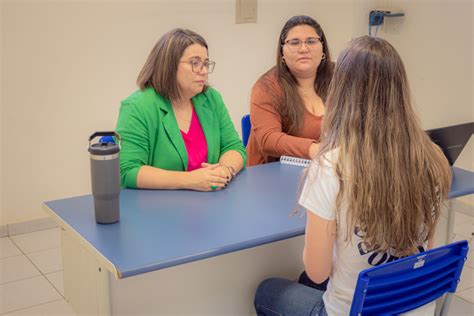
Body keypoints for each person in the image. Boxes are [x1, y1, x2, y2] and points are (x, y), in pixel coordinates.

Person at [254, 36, 451, 315]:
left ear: (340, 91)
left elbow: (318, 272)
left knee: (268, 291)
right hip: (414, 308)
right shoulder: (432, 158)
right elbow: (424, 250)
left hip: (352, 311)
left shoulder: (330, 167)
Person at [116, 28, 246, 191]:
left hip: (211, 203)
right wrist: (190, 180)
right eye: (195, 63)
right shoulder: (138, 106)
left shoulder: (211, 98)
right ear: (169, 65)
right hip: (157, 208)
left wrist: (225, 171)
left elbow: (234, 147)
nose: (204, 71)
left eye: (206, 64)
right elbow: (127, 170)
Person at [246, 15, 334, 166]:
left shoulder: (340, 76)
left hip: (324, 170)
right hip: (270, 177)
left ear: (323, 48)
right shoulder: (267, 87)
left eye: (311, 41)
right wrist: (315, 149)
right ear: (282, 53)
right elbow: (268, 139)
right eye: (294, 43)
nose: (303, 49)